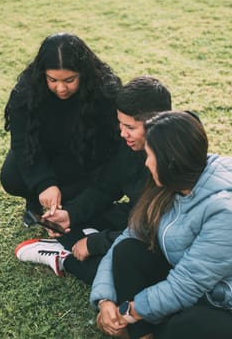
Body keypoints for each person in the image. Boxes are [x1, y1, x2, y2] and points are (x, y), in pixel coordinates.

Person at [14, 76, 172, 284]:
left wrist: (94, 243)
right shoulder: (130, 145)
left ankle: (65, 259)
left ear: (156, 123)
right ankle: (78, 238)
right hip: (136, 215)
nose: (123, 133)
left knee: (125, 270)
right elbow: (106, 187)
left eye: (130, 128)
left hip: (159, 237)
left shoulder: (175, 158)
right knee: (75, 217)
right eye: (120, 124)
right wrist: (71, 215)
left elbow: (154, 231)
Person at [90, 111, 232, 339]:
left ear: (169, 160)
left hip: (223, 303)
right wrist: (106, 300)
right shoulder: (173, 184)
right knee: (128, 252)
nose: (146, 163)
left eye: (149, 155)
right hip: (193, 289)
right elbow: (128, 237)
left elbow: (186, 285)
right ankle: (142, 334)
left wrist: (128, 312)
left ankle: (141, 330)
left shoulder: (224, 211)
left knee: (186, 326)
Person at [0, 32, 122, 224]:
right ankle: (35, 200)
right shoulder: (25, 93)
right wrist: (44, 184)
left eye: (70, 80)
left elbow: (110, 145)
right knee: (12, 176)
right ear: (42, 74)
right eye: (53, 80)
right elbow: (22, 144)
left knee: (81, 186)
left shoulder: (104, 91)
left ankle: (76, 205)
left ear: (84, 73)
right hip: (46, 153)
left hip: (85, 157)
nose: (61, 88)